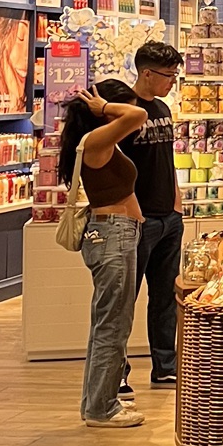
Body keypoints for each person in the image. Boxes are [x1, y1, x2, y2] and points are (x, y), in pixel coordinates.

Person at [57, 85, 150, 428]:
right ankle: (102, 408)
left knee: (108, 323)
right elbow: (139, 114)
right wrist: (106, 106)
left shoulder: (99, 142)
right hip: (113, 235)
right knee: (113, 324)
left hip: (114, 234)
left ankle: (97, 401)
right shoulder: (95, 141)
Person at [97, 40, 184, 389]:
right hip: (136, 219)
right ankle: (116, 373)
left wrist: (176, 201)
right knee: (123, 300)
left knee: (165, 298)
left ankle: (165, 366)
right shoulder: (125, 111)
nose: (172, 82)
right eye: (168, 75)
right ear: (146, 73)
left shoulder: (163, 108)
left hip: (168, 217)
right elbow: (112, 164)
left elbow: (167, 159)